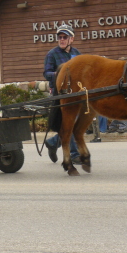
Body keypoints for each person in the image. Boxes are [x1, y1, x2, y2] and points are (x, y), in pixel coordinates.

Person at [42, 24, 81, 164]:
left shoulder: (77, 54)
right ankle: (75, 154)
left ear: (72, 39)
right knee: (69, 122)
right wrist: (61, 74)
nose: (62, 39)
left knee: (71, 124)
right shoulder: (52, 54)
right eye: (60, 37)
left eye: (65, 37)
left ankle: (53, 142)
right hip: (60, 94)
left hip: (75, 94)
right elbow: (46, 74)